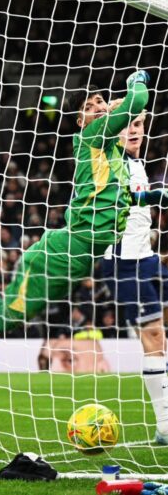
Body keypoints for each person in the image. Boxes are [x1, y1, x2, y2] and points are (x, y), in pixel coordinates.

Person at [0, 70, 150, 337]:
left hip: (76, 256)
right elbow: (138, 100)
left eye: (100, 101)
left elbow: (122, 197)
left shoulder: (110, 149)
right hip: (64, 253)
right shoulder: (93, 135)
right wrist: (138, 79)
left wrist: (156, 197)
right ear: (81, 121)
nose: (97, 107)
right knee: (5, 320)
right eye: (87, 107)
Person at [100, 112, 168, 444]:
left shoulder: (137, 164)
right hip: (125, 263)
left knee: (161, 336)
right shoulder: (110, 161)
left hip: (148, 258)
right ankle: (165, 425)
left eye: (138, 125)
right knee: (153, 335)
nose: (134, 131)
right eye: (127, 125)